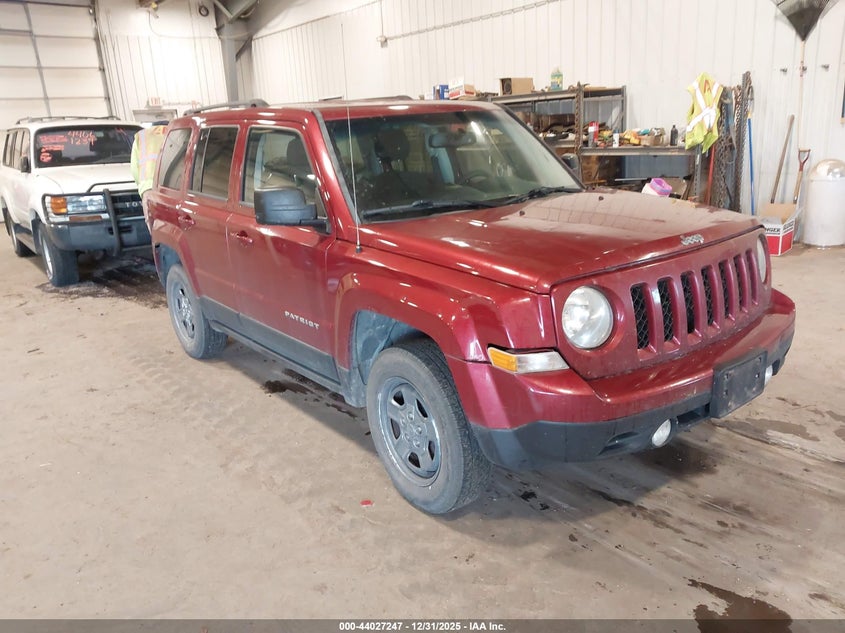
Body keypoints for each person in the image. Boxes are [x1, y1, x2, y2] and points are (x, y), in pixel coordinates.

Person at [130, 121, 169, 229]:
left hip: (148, 188)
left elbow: (134, 169)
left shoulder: (142, 136)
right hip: (169, 188)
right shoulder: (174, 132)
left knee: (153, 226)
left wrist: (142, 186)